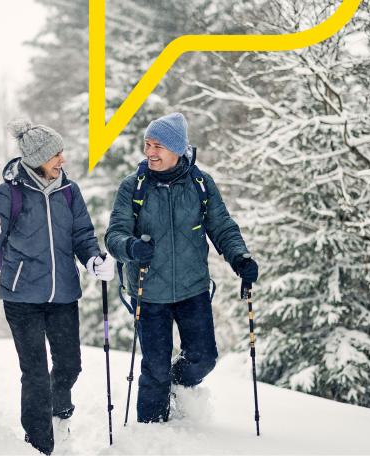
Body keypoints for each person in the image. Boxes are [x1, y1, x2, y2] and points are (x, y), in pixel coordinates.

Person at [0, 120, 115, 455]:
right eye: (55, 155)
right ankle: (39, 445)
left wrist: (94, 260)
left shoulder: (70, 191)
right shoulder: (9, 193)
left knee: (69, 364)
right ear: (37, 159)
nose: (62, 159)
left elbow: (82, 235)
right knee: (34, 373)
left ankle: (59, 415)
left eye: (61, 152)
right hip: (22, 298)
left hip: (64, 294)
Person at [105, 112, 259, 423]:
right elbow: (114, 234)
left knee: (203, 359)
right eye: (147, 144)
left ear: (178, 149)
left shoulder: (201, 185)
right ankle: (150, 433)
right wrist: (131, 246)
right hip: (148, 292)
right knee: (155, 367)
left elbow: (222, 227)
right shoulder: (133, 187)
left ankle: (176, 387)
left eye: (158, 146)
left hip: (193, 289)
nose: (150, 152)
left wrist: (240, 258)